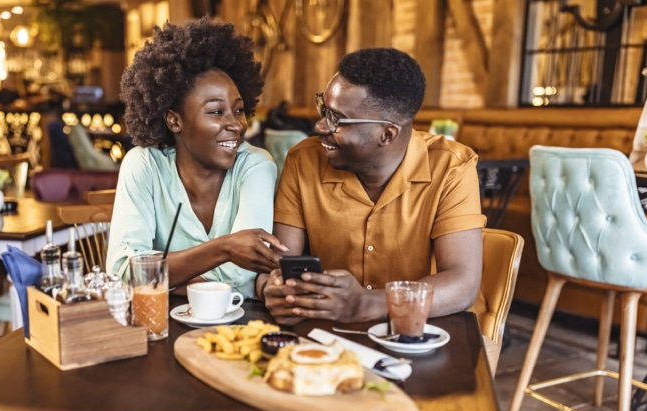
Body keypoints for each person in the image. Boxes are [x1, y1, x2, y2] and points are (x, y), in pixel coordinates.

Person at [259, 48, 485, 324]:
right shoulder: (303, 160)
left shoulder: (452, 168)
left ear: (387, 134)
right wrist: (274, 289)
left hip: (422, 330)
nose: (320, 127)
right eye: (323, 109)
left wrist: (371, 303)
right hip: (328, 331)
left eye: (336, 119)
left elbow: (463, 284)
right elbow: (282, 266)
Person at [106, 18, 287, 298]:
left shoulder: (256, 166)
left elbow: (243, 275)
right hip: (159, 320)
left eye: (239, 110)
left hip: (237, 320)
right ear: (174, 121)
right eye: (216, 112)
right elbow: (122, 273)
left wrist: (161, 279)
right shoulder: (144, 165)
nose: (236, 124)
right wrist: (225, 248)